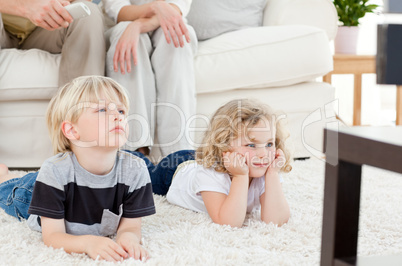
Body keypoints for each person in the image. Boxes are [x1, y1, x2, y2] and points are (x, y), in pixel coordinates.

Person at [0, 76, 155, 262]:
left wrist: (128, 240)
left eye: (121, 110)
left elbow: (130, 226)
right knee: (12, 189)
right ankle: (5, 175)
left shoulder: (136, 169)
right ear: (72, 131)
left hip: (62, 185)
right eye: (102, 109)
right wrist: (88, 243)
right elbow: (52, 236)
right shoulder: (54, 171)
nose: (118, 116)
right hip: (33, 192)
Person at [136, 99, 292, 228]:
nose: (264, 154)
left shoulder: (265, 168)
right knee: (144, 171)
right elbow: (228, 222)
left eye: (269, 144)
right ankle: (129, 154)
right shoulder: (210, 173)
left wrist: (272, 174)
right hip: (174, 170)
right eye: (251, 145)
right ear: (223, 144)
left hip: (196, 159)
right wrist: (240, 176)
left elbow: (276, 220)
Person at [103, 0, 197, 156]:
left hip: (165, 25)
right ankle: (134, 151)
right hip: (124, 26)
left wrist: (138, 25)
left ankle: (179, 155)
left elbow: (174, 11)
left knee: (176, 33)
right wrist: (156, 7)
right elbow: (120, 12)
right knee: (125, 32)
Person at [0, 0, 105, 86]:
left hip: (41, 32)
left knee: (88, 13)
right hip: (4, 31)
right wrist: (27, 6)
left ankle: (83, 105)